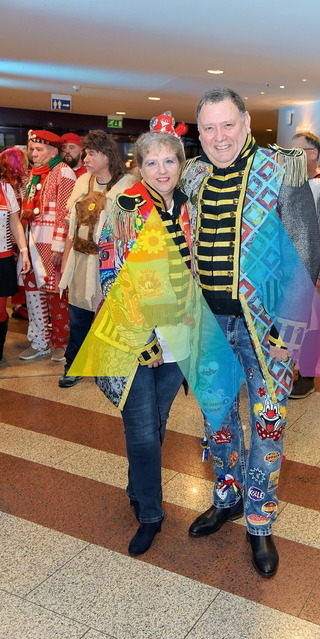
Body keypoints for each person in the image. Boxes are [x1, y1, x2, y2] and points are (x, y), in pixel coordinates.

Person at [181, 88, 320, 578]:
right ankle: (228, 497)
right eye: (208, 128)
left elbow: (305, 250)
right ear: (199, 133)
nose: (219, 137)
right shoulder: (194, 174)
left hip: (267, 329)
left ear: (245, 123)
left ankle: (260, 519)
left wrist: (292, 329)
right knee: (217, 419)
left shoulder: (282, 168)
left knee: (267, 424)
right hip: (209, 325)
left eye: (227, 125)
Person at [94, 116, 191, 556]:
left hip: (179, 336)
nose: (162, 170)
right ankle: (151, 514)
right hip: (137, 337)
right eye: (152, 162)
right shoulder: (126, 206)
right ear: (139, 166)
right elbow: (110, 271)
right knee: (142, 429)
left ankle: (138, 488)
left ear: (181, 164)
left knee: (157, 423)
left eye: (169, 160)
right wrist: (141, 334)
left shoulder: (189, 207)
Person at [59, 130, 131, 388]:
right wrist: (65, 263)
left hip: (110, 265)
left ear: (106, 155)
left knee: (110, 318)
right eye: (86, 153)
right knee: (78, 316)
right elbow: (71, 228)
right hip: (81, 262)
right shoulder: (82, 182)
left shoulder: (127, 185)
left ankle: (111, 368)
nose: (86, 159)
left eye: (91, 154)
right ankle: (73, 365)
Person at [289, 132, 320, 399]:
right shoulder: (291, 183)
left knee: (310, 323)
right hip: (287, 268)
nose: (293, 156)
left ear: (313, 153)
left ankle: (307, 377)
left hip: (310, 269)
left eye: (298, 151)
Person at [19, 130, 76, 361]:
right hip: (31, 244)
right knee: (33, 295)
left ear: (53, 151)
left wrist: (60, 246)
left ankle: (61, 344)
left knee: (57, 297)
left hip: (52, 245)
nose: (33, 153)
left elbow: (65, 212)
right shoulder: (31, 174)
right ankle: (39, 342)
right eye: (31, 149)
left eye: (38, 149)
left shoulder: (63, 171)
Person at [0, 169, 31, 359]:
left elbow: (15, 223)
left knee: (0, 311)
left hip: (2, 257)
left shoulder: (5, 188)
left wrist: (24, 251)